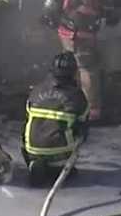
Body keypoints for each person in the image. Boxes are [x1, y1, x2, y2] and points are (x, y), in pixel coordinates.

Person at [23, 52, 89, 188]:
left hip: (31, 148)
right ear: (73, 73)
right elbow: (82, 126)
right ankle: (58, 168)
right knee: (80, 130)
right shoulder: (77, 96)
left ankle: (35, 162)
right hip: (60, 151)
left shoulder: (36, 90)